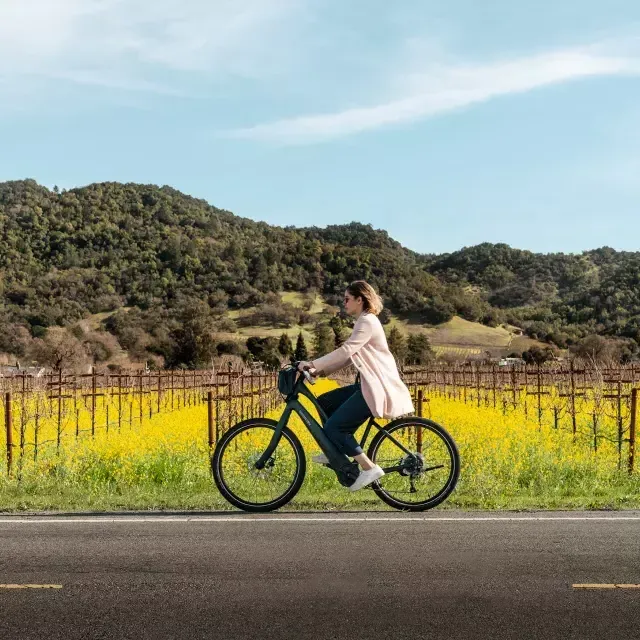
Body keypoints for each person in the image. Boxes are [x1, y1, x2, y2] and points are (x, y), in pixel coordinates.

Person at [298, 280, 414, 491]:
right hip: (369, 385)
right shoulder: (365, 321)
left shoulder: (367, 321)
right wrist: (318, 371)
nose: (344, 303)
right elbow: (348, 357)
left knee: (334, 427)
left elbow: (345, 351)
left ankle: (369, 468)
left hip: (375, 387)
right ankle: (336, 451)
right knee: (324, 403)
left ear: (360, 299)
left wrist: (312, 363)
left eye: (347, 299)